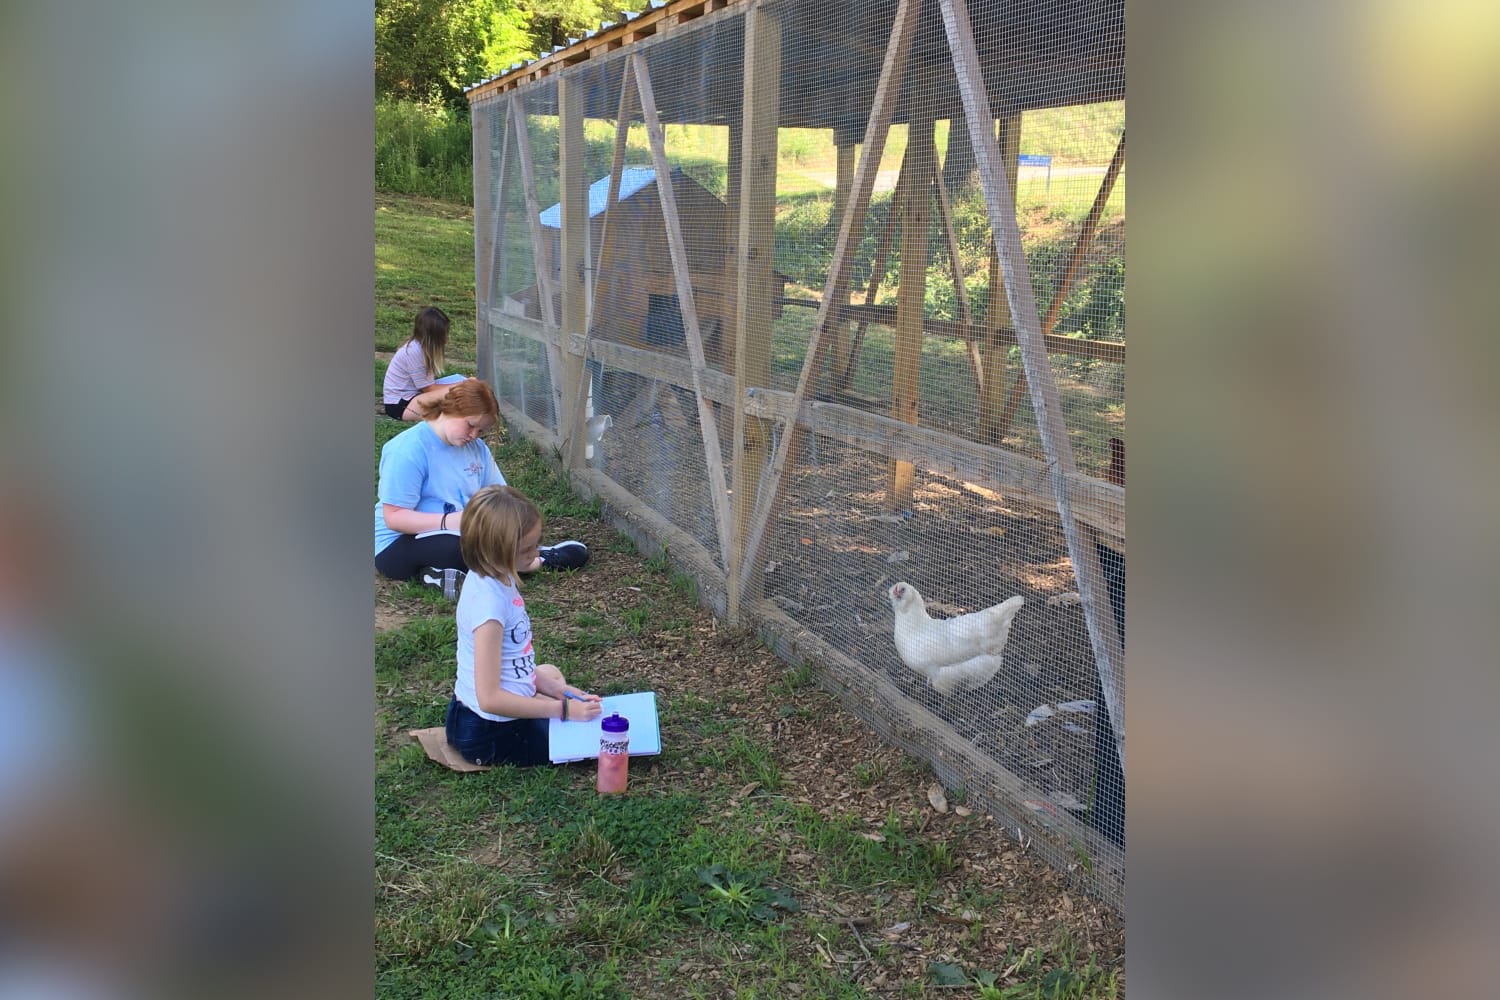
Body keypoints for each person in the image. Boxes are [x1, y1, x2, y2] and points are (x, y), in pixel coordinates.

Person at [444, 485, 603, 766]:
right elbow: (490, 699)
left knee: (550, 675)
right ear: (496, 550)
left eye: (536, 543)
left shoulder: (497, 576)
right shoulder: (489, 608)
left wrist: (558, 692)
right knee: (595, 742)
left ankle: (545, 699)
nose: (537, 552)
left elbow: (515, 662)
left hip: (478, 718)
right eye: (527, 549)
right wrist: (562, 709)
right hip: (489, 733)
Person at [375, 377, 589, 584]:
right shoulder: (407, 449)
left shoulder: (477, 448)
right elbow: (394, 518)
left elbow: (499, 494)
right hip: (398, 544)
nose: (474, 435)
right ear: (450, 409)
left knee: (505, 529)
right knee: (454, 548)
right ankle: (532, 562)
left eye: (481, 431)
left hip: (467, 533)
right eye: (470, 425)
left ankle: (492, 562)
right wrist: (452, 521)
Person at [382, 306, 468, 421]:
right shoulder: (414, 352)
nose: (447, 339)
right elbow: (429, 389)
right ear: (432, 336)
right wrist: (462, 386)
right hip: (400, 406)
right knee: (462, 392)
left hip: (414, 395)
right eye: (443, 334)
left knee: (462, 380)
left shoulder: (419, 347)